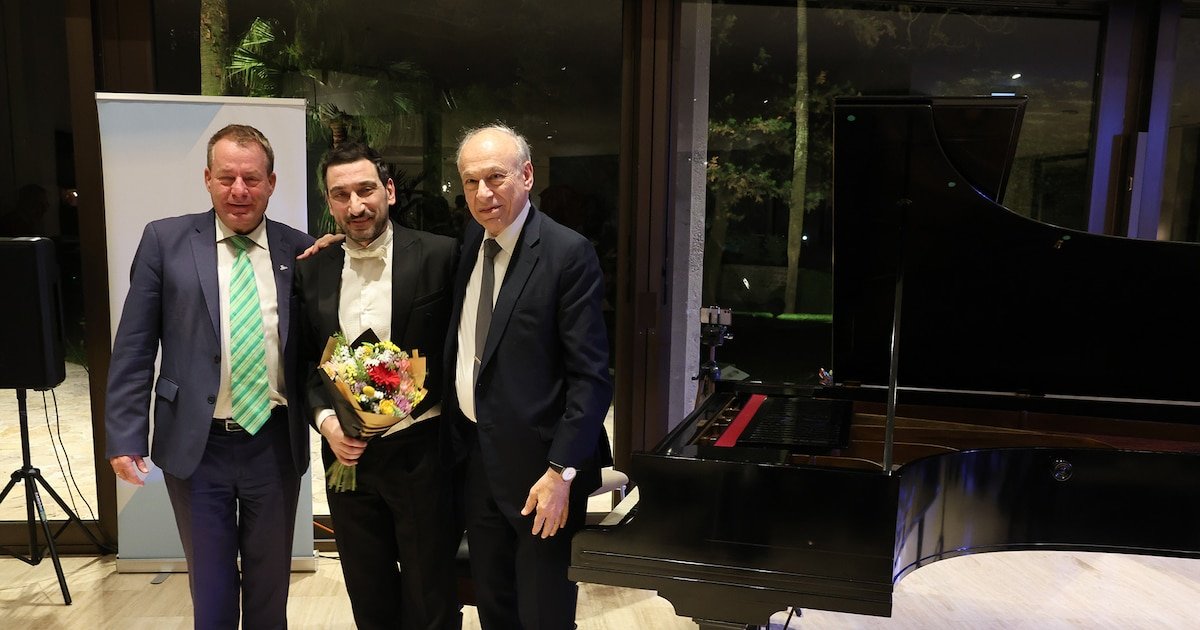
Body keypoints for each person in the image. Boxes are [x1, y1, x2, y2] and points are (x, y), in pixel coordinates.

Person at [105, 124, 315, 629]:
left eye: (251, 178)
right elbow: (135, 346)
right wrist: (125, 435)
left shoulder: (301, 251)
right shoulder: (165, 241)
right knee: (211, 587)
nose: (238, 190)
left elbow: (317, 352)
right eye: (226, 178)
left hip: (273, 443)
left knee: (270, 586)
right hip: (197, 448)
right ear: (207, 179)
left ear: (271, 183)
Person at [446, 124, 613, 629]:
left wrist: (562, 472)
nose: (483, 193)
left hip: (543, 473)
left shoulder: (567, 253)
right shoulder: (471, 243)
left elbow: (591, 378)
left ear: (527, 175)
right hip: (477, 462)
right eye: (471, 181)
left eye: (495, 177)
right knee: (495, 606)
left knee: (543, 613)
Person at [295, 142, 459, 629]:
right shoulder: (312, 267)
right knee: (367, 592)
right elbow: (305, 361)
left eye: (365, 190)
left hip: (421, 452)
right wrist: (327, 423)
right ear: (329, 203)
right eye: (341, 194)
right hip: (344, 456)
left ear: (388, 190)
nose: (356, 205)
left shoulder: (441, 255)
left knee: (430, 595)